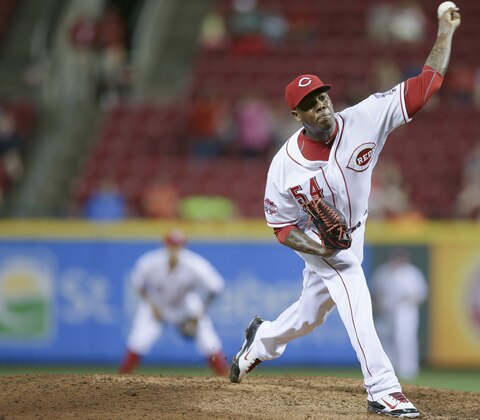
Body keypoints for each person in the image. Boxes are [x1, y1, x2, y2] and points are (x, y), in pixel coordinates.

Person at [229, 5, 460, 418]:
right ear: (296, 115)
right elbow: (281, 228)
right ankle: (383, 388)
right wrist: (321, 250)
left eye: (322, 95)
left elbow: (427, 84)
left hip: (357, 225)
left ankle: (261, 340)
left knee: (311, 314)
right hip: (315, 236)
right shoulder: (284, 168)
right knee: (350, 278)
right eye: (309, 103)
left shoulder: (366, 117)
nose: (321, 105)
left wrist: (444, 30)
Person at [119, 228, 228, 376]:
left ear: (183, 247)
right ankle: (120, 380)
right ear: (165, 245)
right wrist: (151, 304)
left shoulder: (194, 264)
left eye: (178, 246)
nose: (174, 249)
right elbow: (137, 283)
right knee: (139, 341)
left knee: (209, 342)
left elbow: (216, 286)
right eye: (172, 245)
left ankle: (225, 378)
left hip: (185, 305)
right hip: (156, 305)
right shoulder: (150, 262)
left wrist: (201, 311)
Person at [371, 250, 428, 380]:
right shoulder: (384, 271)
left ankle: (408, 369)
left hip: (405, 311)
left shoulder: (412, 273)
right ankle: (389, 367)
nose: (397, 261)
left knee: (405, 339)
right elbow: (377, 291)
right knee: (384, 338)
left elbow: (421, 294)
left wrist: (410, 299)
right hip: (386, 310)